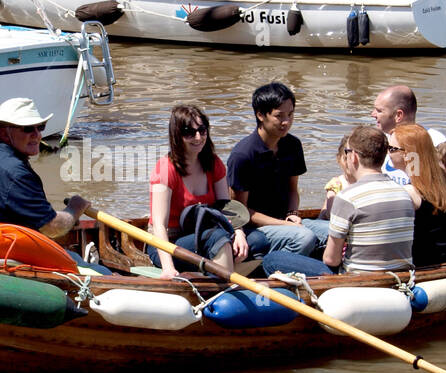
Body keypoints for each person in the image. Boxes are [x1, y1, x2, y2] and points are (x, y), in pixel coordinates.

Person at [0, 97, 90, 238]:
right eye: (28, 128)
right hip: (7, 253)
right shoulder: (18, 174)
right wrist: (74, 208)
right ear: (4, 134)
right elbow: (52, 227)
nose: (37, 135)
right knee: (81, 261)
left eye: (40, 127)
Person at [148, 105, 248, 278]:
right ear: (177, 135)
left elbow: (226, 209)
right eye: (189, 132)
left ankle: (219, 272)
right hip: (168, 244)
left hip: (202, 233)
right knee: (216, 237)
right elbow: (159, 226)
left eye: (202, 130)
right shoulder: (165, 168)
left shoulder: (213, 163)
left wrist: (238, 232)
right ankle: (226, 289)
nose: (198, 137)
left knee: (256, 241)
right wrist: (168, 268)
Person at [227, 82, 320, 257]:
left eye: (291, 114)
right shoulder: (243, 155)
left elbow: (293, 190)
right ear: (260, 115)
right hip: (255, 229)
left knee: (331, 231)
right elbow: (240, 212)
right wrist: (285, 225)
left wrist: (292, 214)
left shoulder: (293, 145)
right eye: (279, 116)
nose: (286, 122)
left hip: (286, 221)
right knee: (305, 238)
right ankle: (274, 266)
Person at [321, 126, 416, 273]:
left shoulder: (346, 197)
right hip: (400, 276)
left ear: (353, 157)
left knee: (276, 259)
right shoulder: (404, 194)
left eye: (347, 152)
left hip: (357, 278)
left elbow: (331, 259)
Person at [391, 124, 446, 267]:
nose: (387, 153)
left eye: (392, 149)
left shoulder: (411, 193)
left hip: (421, 264)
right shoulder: (443, 181)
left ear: (408, 155)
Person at [371, 84, 446, 183]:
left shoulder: (434, 140)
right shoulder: (380, 139)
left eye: (379, 110)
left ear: (398, 115)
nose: (373, 114)